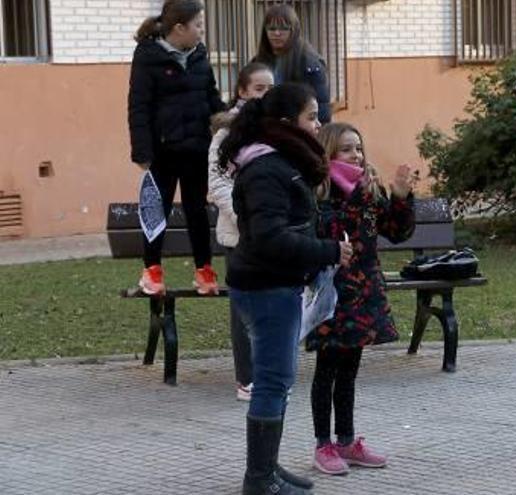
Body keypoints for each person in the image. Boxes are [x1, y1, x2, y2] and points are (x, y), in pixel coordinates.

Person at [218, 82, 352, 495]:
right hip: (266, 288)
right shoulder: (267, 169)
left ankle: (268, 468)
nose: (318, 124)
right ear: (285, 122)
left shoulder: (278, 161)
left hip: (275, 284)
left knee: (278, 380)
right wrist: (328, 251)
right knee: (273, 381)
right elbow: (269, 238)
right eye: (311, 116)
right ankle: (259, 479)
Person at [306, 123, 415, 475]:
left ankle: (347, 440)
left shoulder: (369, 191)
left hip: (364, 291)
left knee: (350, 370)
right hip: (333, 294)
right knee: (327, 370)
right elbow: (325, 234)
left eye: (358, 148)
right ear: (328, 155)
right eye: (347, 150)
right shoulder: (319, 193)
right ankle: (323, 444)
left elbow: (396, 232)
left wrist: (399, 197)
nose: (357, 156)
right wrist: (355, 197)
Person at [129, 0, 224, 296]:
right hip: (163, 151)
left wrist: (226, 122)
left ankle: (204, 271)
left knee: (198, 210)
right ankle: (152, 270)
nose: (201, 32)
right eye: (198, 26)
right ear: (179, 28)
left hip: (197, 147)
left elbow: (211, 95)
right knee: (158, 208)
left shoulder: (199, 54)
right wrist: (142, 151)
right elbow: (139, 107)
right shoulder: (147, 56)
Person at [207, 62, 273, 402]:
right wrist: (244, 215)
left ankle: (271, 373)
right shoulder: (227, 133)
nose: (265, 95)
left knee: (273, 303)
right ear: (242, 91)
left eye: (269, 89)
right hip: (239, 235)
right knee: (243, 309)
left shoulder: (277, 130)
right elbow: (216, 184)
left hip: (273, 234)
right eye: (259, 89)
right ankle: (246, 377)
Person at [253, 4, 332, 124]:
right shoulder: (258, 61)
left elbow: (322, 108)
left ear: (293, 30)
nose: (277, 33)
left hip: (297, 131)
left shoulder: (309, 63)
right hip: (265, 129)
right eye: (272, 28)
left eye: (284, 28)